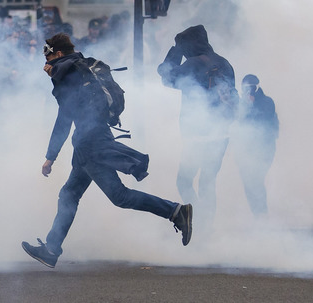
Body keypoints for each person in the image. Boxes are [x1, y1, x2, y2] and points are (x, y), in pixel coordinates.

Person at [21, 33, 193, 268]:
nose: (46, 64)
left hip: (88, 142)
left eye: (48, 57)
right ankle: (51, 249)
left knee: (119, 196)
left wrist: (50, 156)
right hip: (92, 137)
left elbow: (65, 117)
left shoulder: (65, 72)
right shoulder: (82, 65)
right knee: (69, 194)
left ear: (58, 54)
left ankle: (175, 212)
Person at [157, 24, 237, 232]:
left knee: (184, 180)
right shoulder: (224, 63)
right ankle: (207, 226)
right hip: (221, 134)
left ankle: (198, 218)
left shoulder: (192, 64)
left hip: (197, 136)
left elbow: (167, 77)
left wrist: (174, 52)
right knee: (208, 182)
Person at [229, 74, 279, 219]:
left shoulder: (267, 102)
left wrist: (251, 105)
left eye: (250, 88)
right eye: (244, 88)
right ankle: (258, 214)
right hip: (247, 149)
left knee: (255, 180)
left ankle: (261, 214)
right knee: (248, 182)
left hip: (264, 148)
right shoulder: (242, 104)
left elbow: (263, 122)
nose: (247, 91)